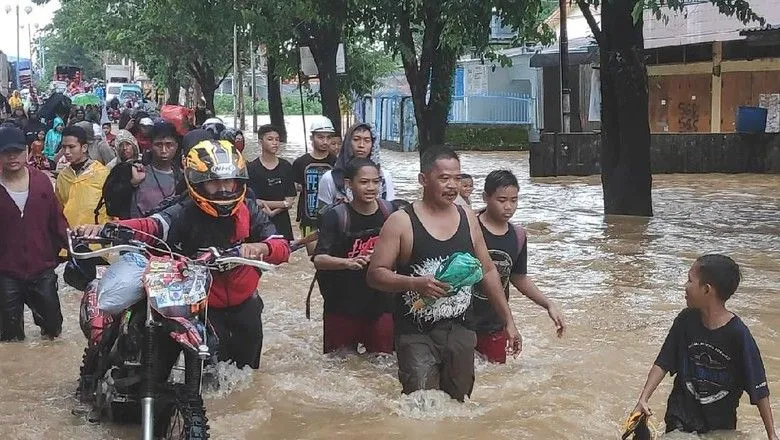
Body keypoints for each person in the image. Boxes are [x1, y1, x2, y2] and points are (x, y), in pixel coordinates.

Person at [77, 139, 291, 369]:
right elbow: (152, 226)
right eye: (214, 182)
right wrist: (107, 229)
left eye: (229, 181)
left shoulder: (248, 208)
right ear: (197, 183)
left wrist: (261, 248)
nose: (223, 189)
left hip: (245, 303)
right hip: (196, 303)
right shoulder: (183, 210)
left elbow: (282, 247)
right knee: (162, 355)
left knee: (246, 375)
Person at [367, 146, 521, 402]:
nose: (452, 186)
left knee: (458, 405)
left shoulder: (468, 217)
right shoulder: (401, 222)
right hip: (416, 333)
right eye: (444, 178)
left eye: (457, 178)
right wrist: (415, 283)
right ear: (423, 179)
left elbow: (488, 270)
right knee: (422, 406)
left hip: (461, 330)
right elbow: (375, 274)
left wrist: (509, 321)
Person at [632, 255, 778, 438]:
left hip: (719, 428)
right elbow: (663, 362)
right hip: (681, 421)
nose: (685, 286)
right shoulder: (685, 321)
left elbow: (759, 388)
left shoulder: (738, 335)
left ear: (707, 290)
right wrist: (643, 399)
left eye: (690, 280)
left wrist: (772, 434)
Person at [473, 170, 564, 364]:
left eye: (514, 200)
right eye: (502, 200)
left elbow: (519, 277)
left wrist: (548, 304)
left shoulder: (518, 236)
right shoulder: (469, 227)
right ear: (485, 198)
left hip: (495, 323)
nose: (508, 207)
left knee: (494, 377)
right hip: (462, 322)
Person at [313, 158, 396, 354]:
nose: (371, 187)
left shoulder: (390, 213)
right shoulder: (335, 217)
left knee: (382, 364)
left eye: (376, 182)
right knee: (340, 366)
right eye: (364, 182)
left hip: (381, 303)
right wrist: (348, 262)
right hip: (341, 305)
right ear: (349, 184)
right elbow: (319, 259)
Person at [0, 125, 68, 341]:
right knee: (9, 337)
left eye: (17, 152)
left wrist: (75, 247)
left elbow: (57, 220)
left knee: (53, 329)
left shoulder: (42, 182)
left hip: (42, 268)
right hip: (6, 272)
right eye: (6, 152)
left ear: (27, 151)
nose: (12, 157)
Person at [103, 122, 180, 219]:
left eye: (169, 145)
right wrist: (131, 184)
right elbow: (112, 206)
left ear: (176, 146)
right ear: (151, 145)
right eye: (159, 145)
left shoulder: (182, 177)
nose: (164, 150)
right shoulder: (134, 170)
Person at [318, 123, 395, 207]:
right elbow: (323, 213)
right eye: (356, 139)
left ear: (373, 145)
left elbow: (390, 209)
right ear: (348, 143)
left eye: (367, 140)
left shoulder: (384, 177)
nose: (361, 145)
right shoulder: (331, 178)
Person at [291, 118, 337, 253]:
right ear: (312, 138)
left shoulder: (337, 162)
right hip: (308, 219)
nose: (325, 142)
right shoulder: (300, 162)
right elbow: (295, 188)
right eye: (320, 137)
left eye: (328, 138)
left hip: (333, 218)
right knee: (315, 257)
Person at [248, 125, 296, 241]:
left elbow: (290, 200)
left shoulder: (286, 166)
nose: (275, 143)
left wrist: (273, 211)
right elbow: (253, 201)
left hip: (282, 221)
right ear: (260, 142)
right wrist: (282, 204)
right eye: (270, 139)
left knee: (284, 255)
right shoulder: (252, 168)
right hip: (259, 219)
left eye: (277, 139)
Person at [55, 125, 109, 227]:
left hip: (95, 238)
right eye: (64, 147)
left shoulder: (101, 173)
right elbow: (58, 208)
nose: (66, 152)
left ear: (84, 147)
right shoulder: (63, 176)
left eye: (71, 147)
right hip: (70, 237)